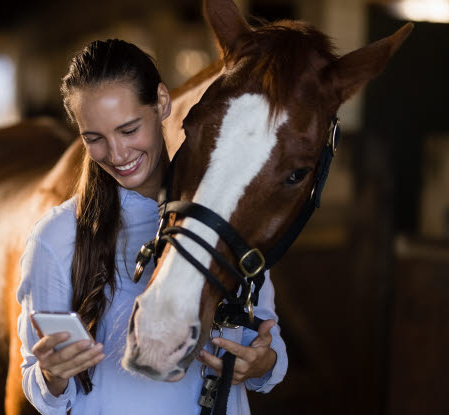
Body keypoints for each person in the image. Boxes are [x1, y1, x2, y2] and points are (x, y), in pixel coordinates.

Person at [16, 39, 288, 414]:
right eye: (94, 138)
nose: (116, 154)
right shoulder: (57, 236)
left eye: (128, 130)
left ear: (161, 103)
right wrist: (53, 375)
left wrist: (263, 363)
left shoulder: (226, 216)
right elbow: (37, 385)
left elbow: (267, 341)